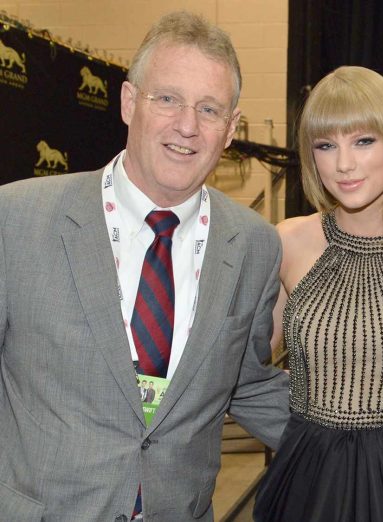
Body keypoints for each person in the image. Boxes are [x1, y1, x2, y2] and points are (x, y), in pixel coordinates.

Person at [0, 11, 288, 521]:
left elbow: (245, 381)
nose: (187, 126)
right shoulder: (17, 220)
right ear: (130, 102)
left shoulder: (253, 246)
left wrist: (367, 433)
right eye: (168, 99)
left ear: (230, 129)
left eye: (209, 109)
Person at [253, 65, 383, 522]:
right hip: (306, 476)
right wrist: (299, 424)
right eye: (325, 145)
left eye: (362, 141)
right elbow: (244, 364)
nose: (343, 164)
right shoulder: (288, 241)